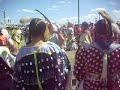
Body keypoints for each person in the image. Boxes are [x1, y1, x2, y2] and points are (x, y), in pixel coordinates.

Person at [13, 18, 71, 90]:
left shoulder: (21, 53)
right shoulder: (53, 49)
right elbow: (62, 73)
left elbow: (17, 80)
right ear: (44, 31)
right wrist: (61, 48)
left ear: (30, 31)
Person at [74, 19, 120, 90]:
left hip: (91, 87)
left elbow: (78, 72)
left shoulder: (86, 50)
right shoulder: (118, 50)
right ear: (110, 31)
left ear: (95, 31)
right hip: (114, 86)